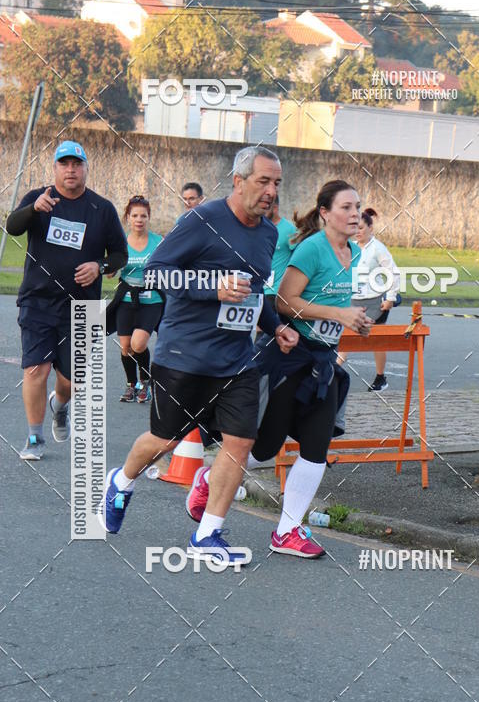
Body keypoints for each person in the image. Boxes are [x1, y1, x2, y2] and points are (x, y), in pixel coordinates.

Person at [99, 146, 298, 566]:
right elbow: (155, 271)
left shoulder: (268, 234)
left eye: (277, 183)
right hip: (184, 354)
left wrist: (275, 326)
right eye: (264, 181)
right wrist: (213, 287)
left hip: (237, 359)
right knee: (166, 439)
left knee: (239, 443)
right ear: (239, 181)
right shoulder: (202, 219)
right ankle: (121, 481)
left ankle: (207, 534)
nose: (271, 191)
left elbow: (257, 290)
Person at [187, 180, 373, 559]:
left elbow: (330, 304)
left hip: (322, 361)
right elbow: (285, 302)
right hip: (288, 357)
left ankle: (287, 531)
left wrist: (350, 322)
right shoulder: (312, 248)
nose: (355, 215)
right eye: (347, 208)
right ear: (325, 213)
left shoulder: (351, 251)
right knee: (267, 447)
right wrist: (338, 313)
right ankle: (209, 477)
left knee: (316, 448)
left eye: (357, 207)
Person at [6, 140, 127, 460]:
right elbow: (12, 227)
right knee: (35, 369)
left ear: (86, 168)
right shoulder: (39, 198)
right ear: (55, 168)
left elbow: (120, 255)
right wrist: (33, 210)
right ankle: (34, 438)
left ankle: (60, 404)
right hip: (38, 299)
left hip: (82, 305)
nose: (70, 169)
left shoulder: (102, 209)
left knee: (71, 379)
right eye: (64, 163)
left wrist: (99, 266)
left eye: (77, 164)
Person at [337, 207, 400, 392]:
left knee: (376, 340)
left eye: (361, 228)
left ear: (370, 228)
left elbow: (393, 273)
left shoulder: (378, 249)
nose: (357, 231)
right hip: (354, 299)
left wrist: (390, 298)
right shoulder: (348, 246)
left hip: (376, 301)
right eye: (355, 227)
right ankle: (332, 370)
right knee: (346, 336)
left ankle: (380, 378)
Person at [115, 196, 163, 404]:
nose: (139, 219)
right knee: (126, 347)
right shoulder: (120, 242)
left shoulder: (159, 242)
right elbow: (111, 270)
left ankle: (145, 382)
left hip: (151, 300)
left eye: (143, 215)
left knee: (139, 343)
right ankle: (131, 385)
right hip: (126, 299)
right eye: (134, 215)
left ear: (149, 218)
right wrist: (109, 268)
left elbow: (169, 266)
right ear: (127, 218)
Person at [263, 194, 297, 311]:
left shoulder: (289, 229)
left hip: (275, 292)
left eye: (267, 207)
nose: (262, 210)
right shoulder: (257, 228)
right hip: (257, 289)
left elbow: (300, 258)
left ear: (275, 208)